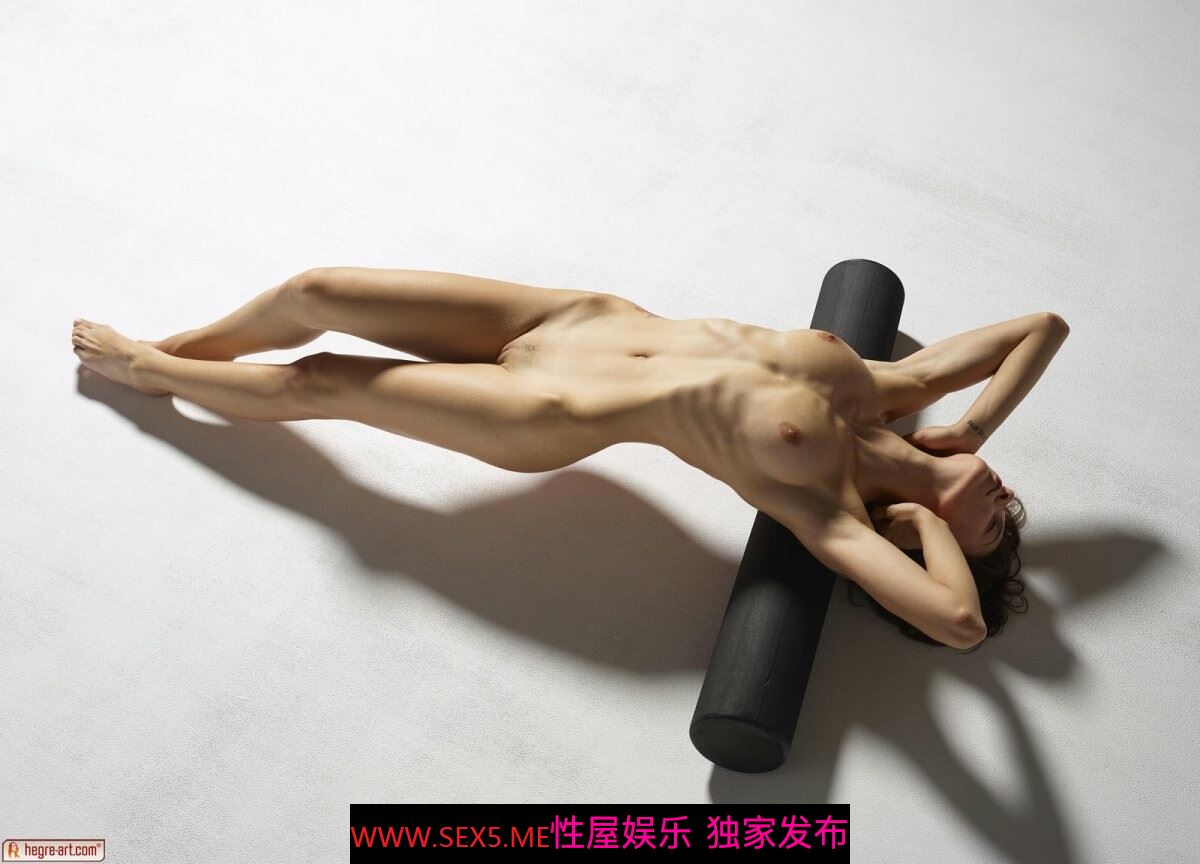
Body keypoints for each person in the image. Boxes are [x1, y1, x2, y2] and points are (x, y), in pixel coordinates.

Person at [70, 267, 1069, 649]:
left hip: (543, 411)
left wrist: (921, 523)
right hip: (575, 315)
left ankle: (150, 373)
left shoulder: (827, 509)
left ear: (935, 542)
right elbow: (1041, 328)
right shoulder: (893, 390)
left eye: (994, 524)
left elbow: (959, 622)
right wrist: (974, 432)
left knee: (319, 379)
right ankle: (185, 348)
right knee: (316, 291)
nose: (1002, 497)